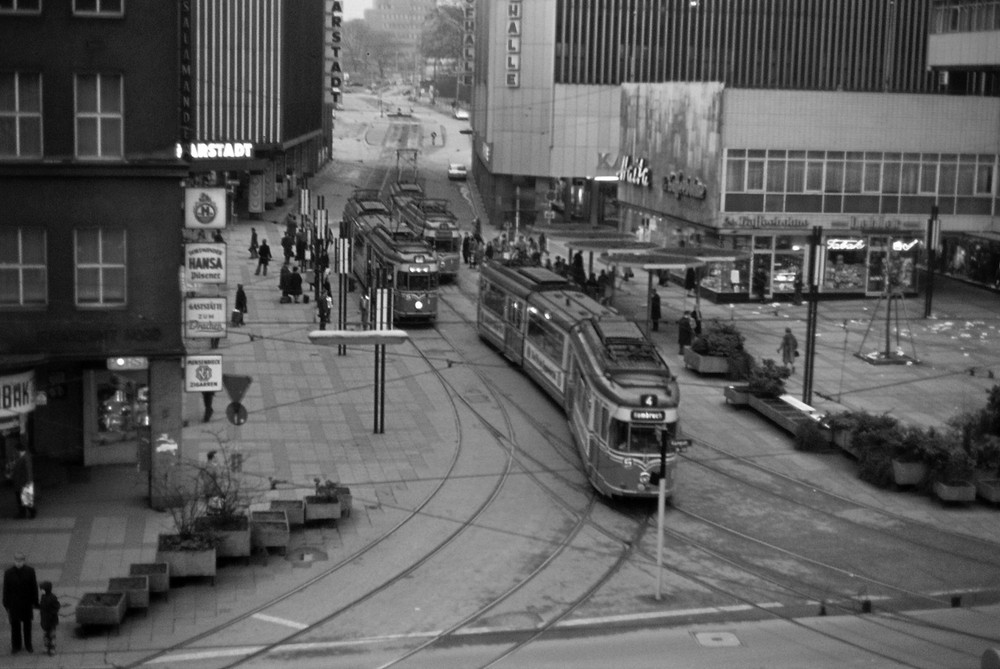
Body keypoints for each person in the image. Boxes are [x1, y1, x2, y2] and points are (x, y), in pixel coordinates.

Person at [3, 551, 38, 654]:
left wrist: (35, 601)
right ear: (14, 561)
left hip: (26, 604)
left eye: (20, 561)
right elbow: (6, 589)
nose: (18, 563)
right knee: (15, 627)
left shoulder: (30, 571)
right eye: (16, 561)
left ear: (24, 561)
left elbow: (33, 587)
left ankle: (28, 645)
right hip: (14, 604)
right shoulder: (8, 573)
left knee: (27, 626)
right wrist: (6, 602)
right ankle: (16, 646)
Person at [8, 444, 34, 519]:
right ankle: (25, 513)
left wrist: (28, 481)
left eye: (15, 450)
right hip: (20, 481)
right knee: (21, 499)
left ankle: (30, 513)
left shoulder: (25, 457)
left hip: (23, 481)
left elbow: (28, 470)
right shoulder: (22, 457)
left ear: (18, 450)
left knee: (25, 498)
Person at [37, 581, 60, 656]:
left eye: (42, 589)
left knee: (52, 635)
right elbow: (42, 606)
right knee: (46, 634)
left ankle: (52, 648)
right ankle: (47, 647)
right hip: (45, 620)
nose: (41, 591)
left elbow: (57, 606)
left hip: (51, 620)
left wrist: (51, 613)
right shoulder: (43, 597)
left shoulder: (52, 597)